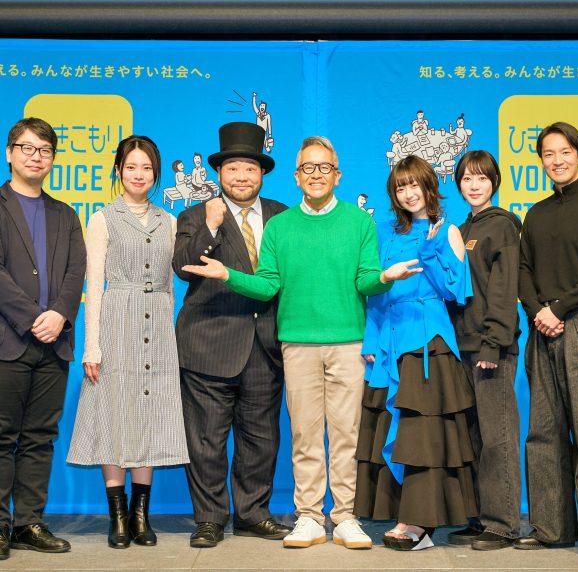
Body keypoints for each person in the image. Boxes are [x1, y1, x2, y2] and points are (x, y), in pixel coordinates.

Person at [182, 136, 421, 551]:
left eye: (324, 167)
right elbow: (267, 285)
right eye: (308, 168)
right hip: (295, 345)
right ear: (296, 177)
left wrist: (385, 277)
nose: (316, 174)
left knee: (346, 434)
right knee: (305, 435)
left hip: (347, 344)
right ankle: (309, 515)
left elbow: (366, 279)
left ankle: (344, 516)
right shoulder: (281, 226)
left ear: (337, 175)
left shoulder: (359, 223)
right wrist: (227, 275)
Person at [67, 135, 189, 549]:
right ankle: (117, 516)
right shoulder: (103, 219)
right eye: (131, 167)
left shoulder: (169, 221)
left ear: (156, 174)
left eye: (147, 168)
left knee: (149, 413)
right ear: (118, 170)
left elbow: (170, 287)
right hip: (117, 321)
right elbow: (94, 286)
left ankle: (141, 515)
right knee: (114, 413)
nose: (139, 175)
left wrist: (168, 333)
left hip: (159, 328)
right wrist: (92, 346)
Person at [173, 122, 289, 549]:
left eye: (250, 168)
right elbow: (182, 267)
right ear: (219, 172)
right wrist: (210, 226)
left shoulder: (282, 216)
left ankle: (253, 514)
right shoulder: (194, 215)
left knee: (261, 440)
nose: (242, 177)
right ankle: (209, 518)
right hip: (209, 343)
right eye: (234, 168)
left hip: (266, 345)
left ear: (262, 174)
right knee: (206, 440)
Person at [354, 155, 477, 551]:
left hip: (428, 343)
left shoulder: (448, 231)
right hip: (389, 342)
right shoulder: (384, 232)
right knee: (392, 430)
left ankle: (420, 521)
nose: (408, 194)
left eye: (414, 185)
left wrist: (430, 250)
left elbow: (454, 291)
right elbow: (375, 290)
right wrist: (371, 340)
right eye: (400, 187)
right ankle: (399, 512)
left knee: (422, 435)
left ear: (429, 187)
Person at [0, 117, 86, 560]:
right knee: (2, 437)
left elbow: (76, 271)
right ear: (10, 153)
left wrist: (59, 315)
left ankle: (28, 523)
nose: (36, 157)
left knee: (39, 436)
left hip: (54, 344)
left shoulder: (65, 214)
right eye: (28, 148)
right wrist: (35, 317)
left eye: (45, 150)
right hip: (8, 341)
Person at [447, 151, 522, 550]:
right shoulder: (461, 229)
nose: (474, 185)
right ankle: (480, 518)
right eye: (466, 178)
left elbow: (504, 289)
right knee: (473, 436)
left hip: (491, 348)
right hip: (462, 347)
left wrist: (494, 343)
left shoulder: (502, 226)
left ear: (494, 181)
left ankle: (503, 523)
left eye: (481, 178)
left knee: (498, 437)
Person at [516, 121, 578, 550]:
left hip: (575, 322)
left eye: (565, 152)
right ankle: (552, 529)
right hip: (542, 330)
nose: (556, 161)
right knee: (544, 432)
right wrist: (538, 310)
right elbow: (523, 270)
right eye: (548, 154)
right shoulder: (536, 213)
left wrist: (559, 308)